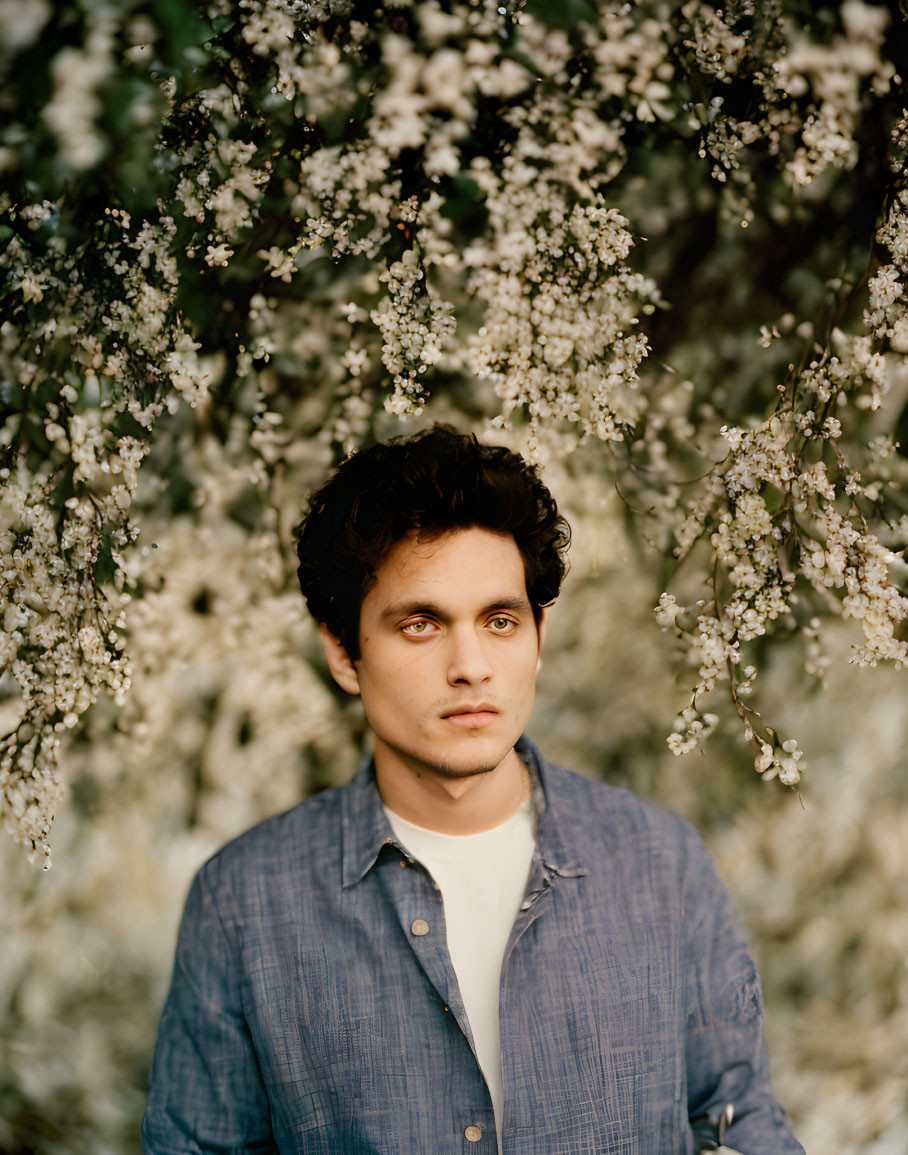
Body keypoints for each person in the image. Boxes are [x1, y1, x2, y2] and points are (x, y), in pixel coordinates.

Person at [142, 425, 803, 1154]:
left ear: (539, 638)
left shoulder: (661, 863)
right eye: (422, 624)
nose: (471, 665)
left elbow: (739, 1124)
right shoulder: (243, 904)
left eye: (499, 620)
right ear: (342, 650)